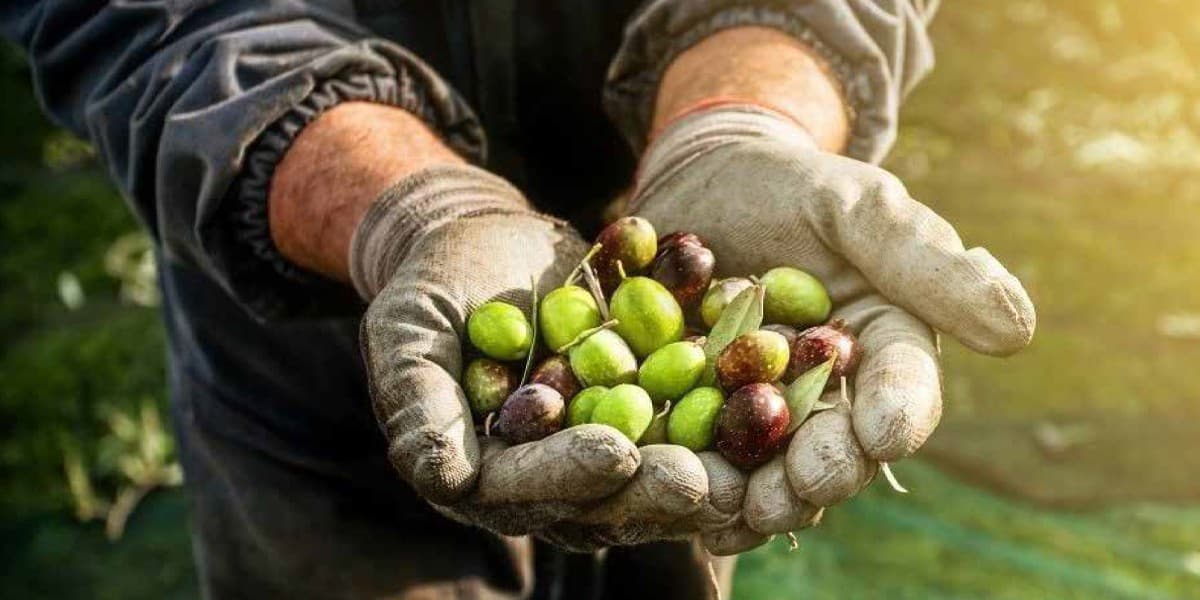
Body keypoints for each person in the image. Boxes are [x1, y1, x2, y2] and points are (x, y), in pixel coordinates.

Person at [2, 1, 1035, 598]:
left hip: (663, 205)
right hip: (300, 294)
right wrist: (409, 209)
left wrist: (738, 122)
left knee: (655, 545)